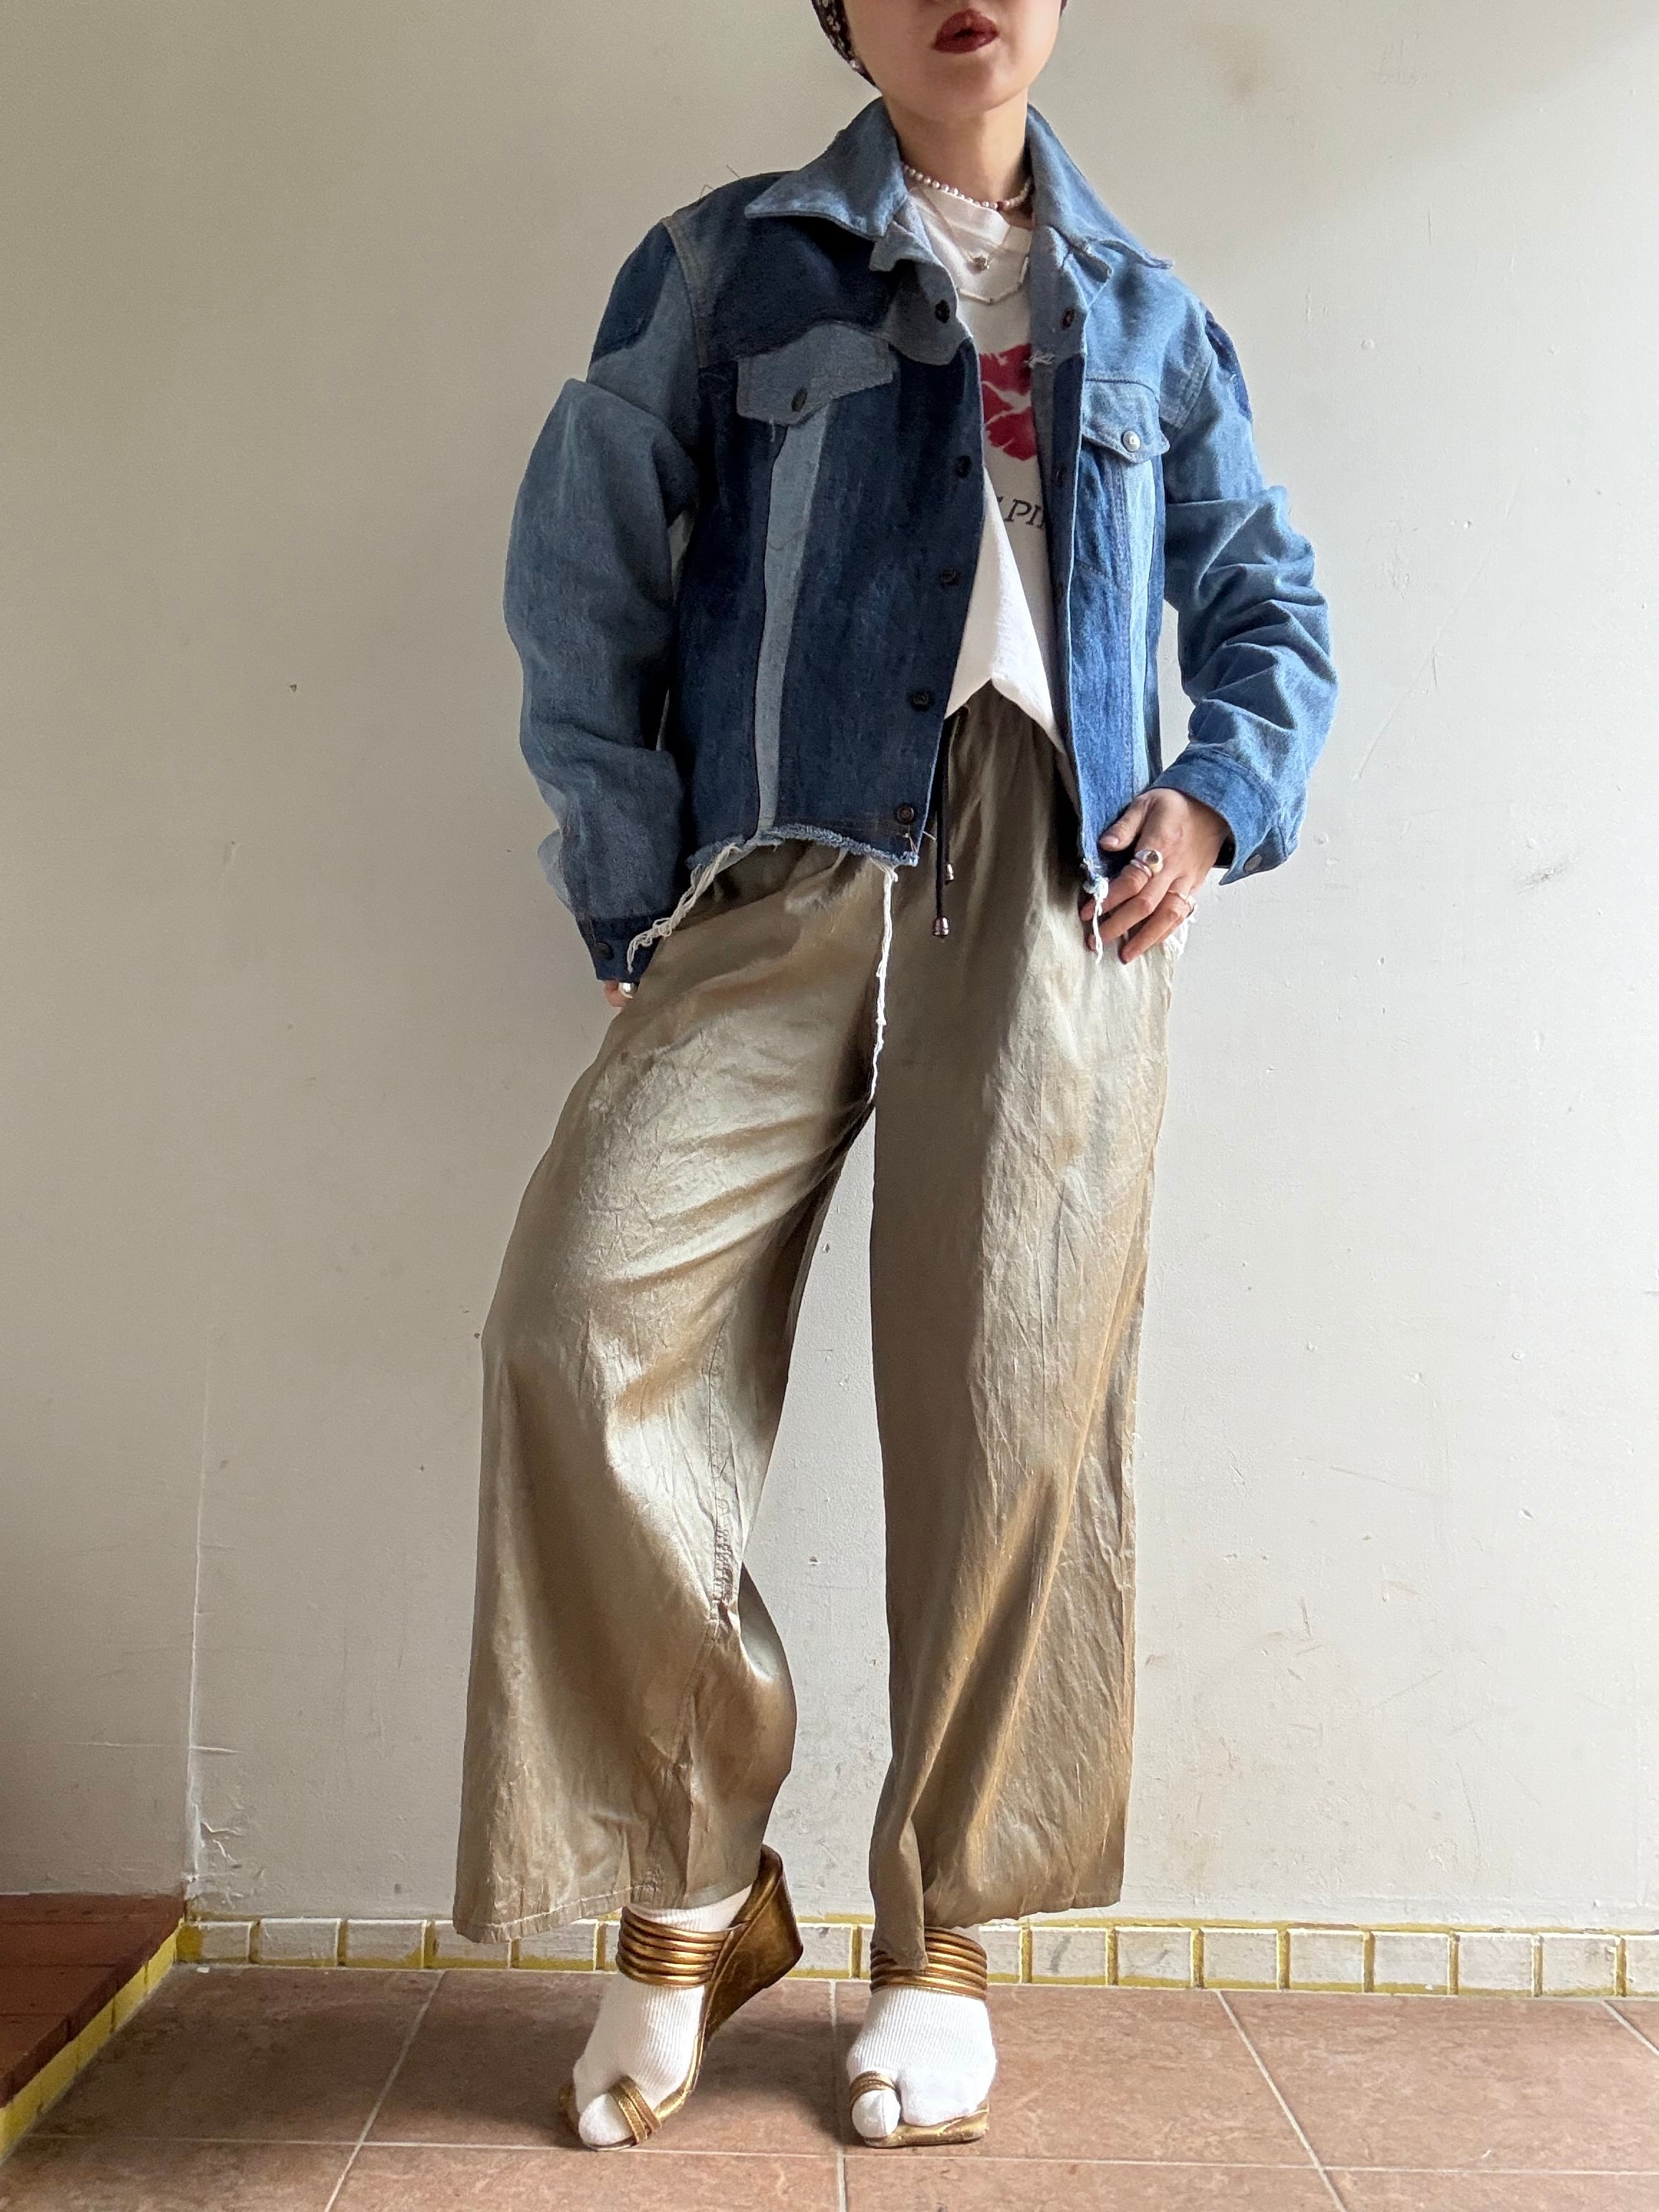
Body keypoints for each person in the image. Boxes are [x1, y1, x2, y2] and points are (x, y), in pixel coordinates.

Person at [452, 0, 1336, 2155]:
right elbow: (586, 565)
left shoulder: (1148, 313)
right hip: (775, 859)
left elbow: (1267, 598)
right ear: (842, 15)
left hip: (1056, 884)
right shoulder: (727, 262)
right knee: (578, 1328)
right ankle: (692, 1875)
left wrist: (1217, 792)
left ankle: (941, 1934)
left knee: (1009, 1401)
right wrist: (627, 877)